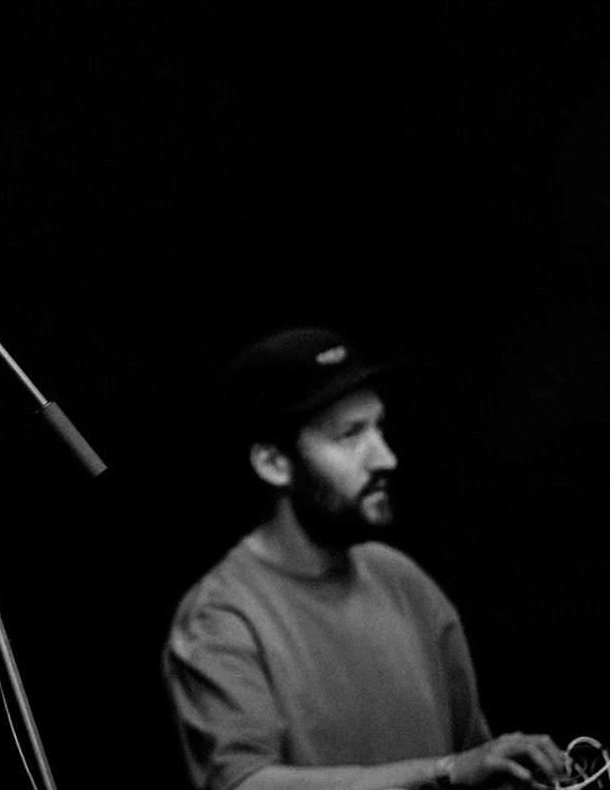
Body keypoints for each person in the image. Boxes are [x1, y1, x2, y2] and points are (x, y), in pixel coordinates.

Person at [161, 326, 571, 789]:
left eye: (378, 427)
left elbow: (475, 761)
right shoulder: (221, 617)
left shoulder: (403, 580)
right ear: (273, 463)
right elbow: (243, 784)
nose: (385, 458)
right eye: (350, 435)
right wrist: (445, 773)